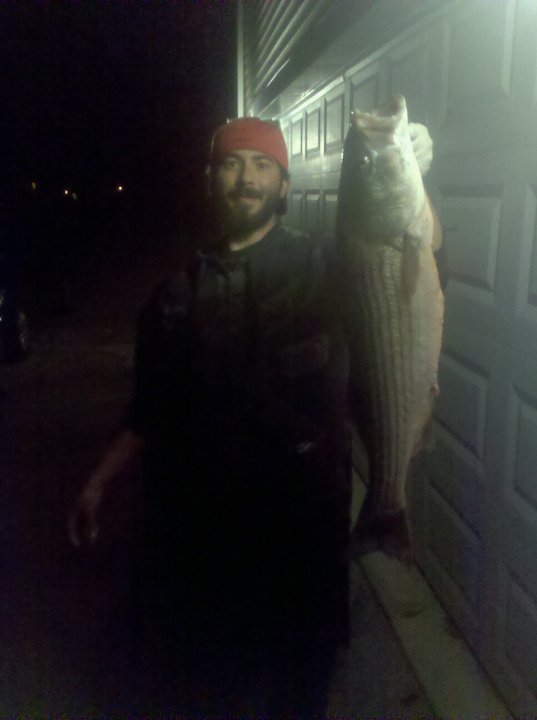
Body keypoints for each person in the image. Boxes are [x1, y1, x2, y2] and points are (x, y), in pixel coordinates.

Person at [68, 116, 437, 716]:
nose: (246, 178)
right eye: (232, 164)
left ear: (284, 186)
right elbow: (150, 408)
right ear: (210, 181)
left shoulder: (329, 264)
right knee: (216, 691)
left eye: (263, 165)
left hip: (304, 539)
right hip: (206, 541)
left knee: (300, 692)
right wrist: (97, 481)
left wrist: (412, 164)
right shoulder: (171, 296)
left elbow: (405, 249)